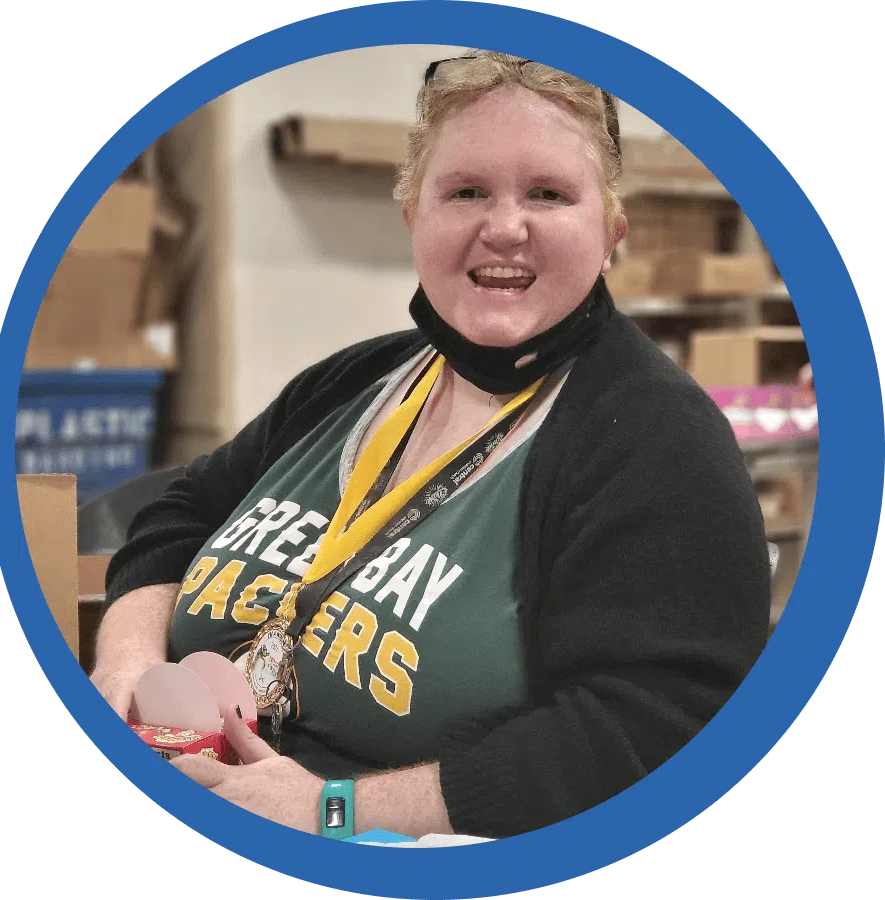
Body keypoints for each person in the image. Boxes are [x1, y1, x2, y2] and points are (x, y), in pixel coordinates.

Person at [91, 51, 772, 840]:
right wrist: (126, 662)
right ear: (414, 214)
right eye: (466, 191)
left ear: (610, 231)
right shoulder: (357, 381)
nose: (505, 227)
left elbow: (652, 735)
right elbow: (178, 513)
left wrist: (332, 811)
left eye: (548, 194)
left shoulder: (656, 439)